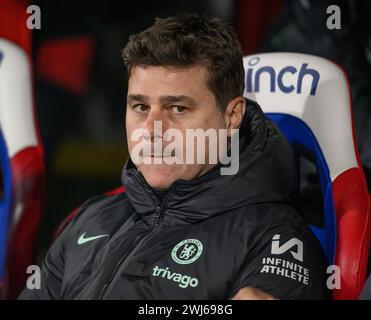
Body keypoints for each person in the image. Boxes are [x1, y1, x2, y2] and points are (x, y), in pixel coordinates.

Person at [19, 13, 329, 300]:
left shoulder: (277, 240)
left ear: (233, 116)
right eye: (140, 107)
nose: (152, 130)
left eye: (178, 109)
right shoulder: (91, 217)